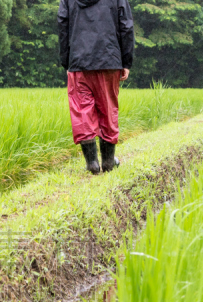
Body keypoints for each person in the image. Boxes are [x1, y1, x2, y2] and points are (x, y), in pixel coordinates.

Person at [58, 0, 135, 174]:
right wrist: (126, 61)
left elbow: (63, 26)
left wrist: (66, 61)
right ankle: (108, 162)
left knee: (82, 111)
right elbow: (126, 27)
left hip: (79, 62)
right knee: (108, 110)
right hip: (109, 59)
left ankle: (91, 163)